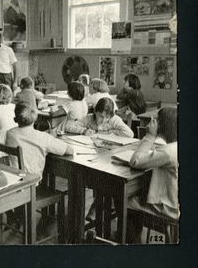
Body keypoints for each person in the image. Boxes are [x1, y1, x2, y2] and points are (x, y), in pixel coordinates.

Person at [126, 107, 178, 243]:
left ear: (162, 125)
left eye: (156, 120)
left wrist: (149, 136)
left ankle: (131, 241)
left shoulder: (168, 151)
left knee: (126, 200)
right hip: (177, 202)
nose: (152, 122)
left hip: (170, 209)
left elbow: (135, 161)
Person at [6, 102, 74, 179]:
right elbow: (70, 150)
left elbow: (26, 136)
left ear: (15, 119)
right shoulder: (43, 137)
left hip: (14, 177)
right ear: (35, 118)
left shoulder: (10, 133)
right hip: (32, 181)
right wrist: (49, 137)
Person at [65, 97, 134, 138]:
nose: (103, 120)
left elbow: (130, 134)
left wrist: (110, 132)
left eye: (107, 117)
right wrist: (83, 130)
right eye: (101, 116)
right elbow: (67, 125)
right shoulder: (89, 118)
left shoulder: (114, 119)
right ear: (95, 111)